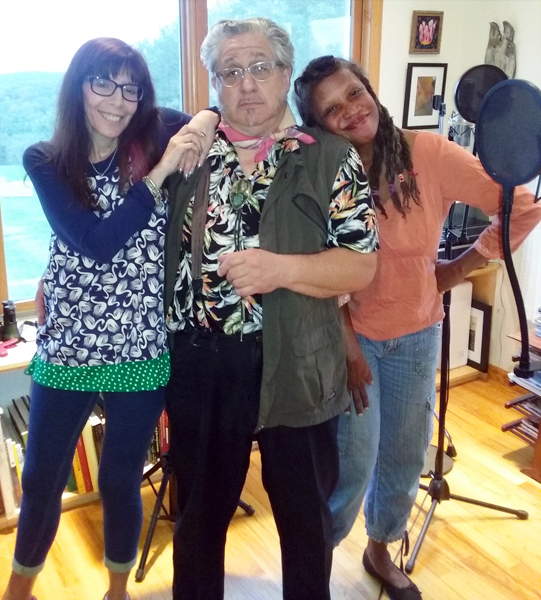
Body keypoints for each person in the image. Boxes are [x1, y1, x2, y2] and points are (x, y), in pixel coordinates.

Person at [294, 55, 541, 600]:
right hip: (351, 340)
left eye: (353, 93)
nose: (350, 110)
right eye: (331, 109)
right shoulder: (321, 171)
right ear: (319, 124)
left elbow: (520, 206)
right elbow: (317, 264)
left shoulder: (428, 153)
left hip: (417, 335)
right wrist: (348, 347)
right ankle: (310, 570)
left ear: (369, 89)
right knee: (352, 465)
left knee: (405, 456)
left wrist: (457, 269)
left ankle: (380, 550)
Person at [163, 18, 378, 600]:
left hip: (299, 361)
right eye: (230, 72)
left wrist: (278, 269)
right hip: (203, 364)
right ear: (214, 84)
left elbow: (361, 266)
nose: (247, 83)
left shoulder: (329, 157)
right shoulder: (189, 153)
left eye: (260, 67)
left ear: (285, 74)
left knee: (305, 525)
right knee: (199, 521)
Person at [1, 37, 218, 600]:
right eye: (103, 83)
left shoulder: (153, 131)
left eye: (131, 88)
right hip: (68, 343)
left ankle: (117, 591)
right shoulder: (45, 159)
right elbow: (95, 242)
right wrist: (160, 172)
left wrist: (202, 123)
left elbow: (211, 111)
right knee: (40, 477)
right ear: (78, 87)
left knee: (120, 478)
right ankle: (18, 591)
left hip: (140, 343)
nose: (118, 101)